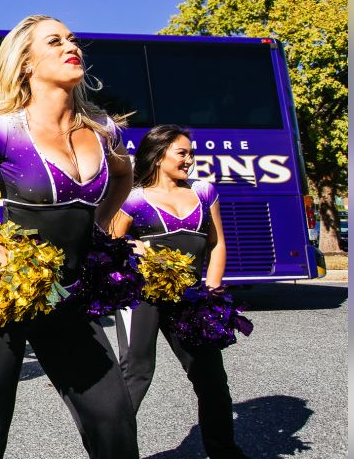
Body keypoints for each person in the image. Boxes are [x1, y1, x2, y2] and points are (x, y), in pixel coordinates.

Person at [0, 15, 140, 459]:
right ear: (27, 64)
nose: (70, 46)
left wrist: (101, 225)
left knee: (114, 420)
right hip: (4, 293)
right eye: (54, 41)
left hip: (68, 296)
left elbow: (125, 175)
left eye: (72, 39)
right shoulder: (5, 130)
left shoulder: (102, 128)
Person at [110, 125, 248, 459]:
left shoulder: (204, 191)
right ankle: (112, 452)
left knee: (212, 379)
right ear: (158, 156)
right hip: (140, 298)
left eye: (190, 153)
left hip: (192, 299)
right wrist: (131, 246)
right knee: (136, 373)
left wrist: (212, 290)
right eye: (181, 153)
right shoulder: (134, 198)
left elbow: (215, 245)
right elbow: (108, 245)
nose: (189, 159)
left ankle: (224, 451)